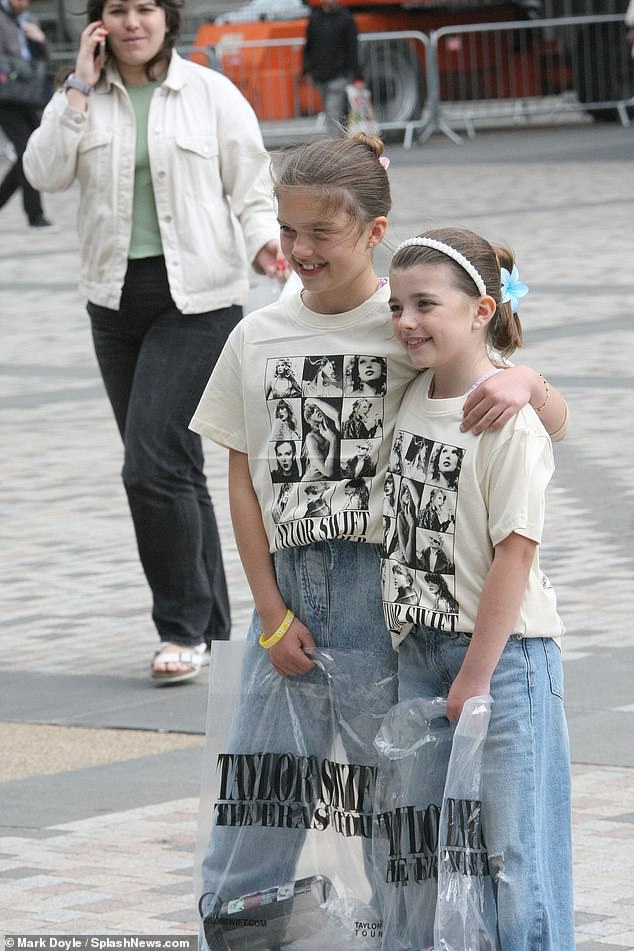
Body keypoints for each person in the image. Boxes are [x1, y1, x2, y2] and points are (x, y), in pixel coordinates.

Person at [188, 135, 569, 946]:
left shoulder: (409, 320)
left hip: (386, 595)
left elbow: (540, 422)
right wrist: (267, 609)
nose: (297, 250)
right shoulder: (255, 336)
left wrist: (526, 380)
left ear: (372, 230)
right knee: (258, 800)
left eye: (319, 232)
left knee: (395, 823)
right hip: (286, 595)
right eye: (287, 230)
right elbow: (243, 480)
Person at [23, 0, 283, 685]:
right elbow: (43, 171)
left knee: (149, 464)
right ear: (99, 22)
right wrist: (76, 87)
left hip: (199, 301)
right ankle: (216, 630)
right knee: (172, 466)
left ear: (168, 18)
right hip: (112, 303)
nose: (133, 22)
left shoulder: (210, 94)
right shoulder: (83, 97)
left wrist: (265, 245)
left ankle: (179, 627)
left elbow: (251, 184)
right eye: (119, 9)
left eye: (146, 8)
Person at [382, 226, 573, 949]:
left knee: (513, 860)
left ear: (481, 310)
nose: (404, 321)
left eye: (425, 303)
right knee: (434, 854)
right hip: (420, 654)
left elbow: (514, 556)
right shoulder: (409, 391)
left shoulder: (507, 421)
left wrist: (476, 674)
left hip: (503, 663)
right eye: (397, 304)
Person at [0, 0, 51, 227]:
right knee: (25, 152)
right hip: (5, 95)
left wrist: (39, 40)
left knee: (34, 150)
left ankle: (32, 212)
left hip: (29, 93)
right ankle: (35, 214)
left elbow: (42, 58)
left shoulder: (29, 20)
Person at [302, 0, 363, 137]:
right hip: (321, 76)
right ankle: (342, 142)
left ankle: (335, 145)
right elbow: (309, 46)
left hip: (339, 76)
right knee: (335, 112)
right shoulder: (315, 19)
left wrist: (357, 75)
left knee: (333, 112)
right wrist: (307, 69)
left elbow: (352, 49)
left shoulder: (346, 19)